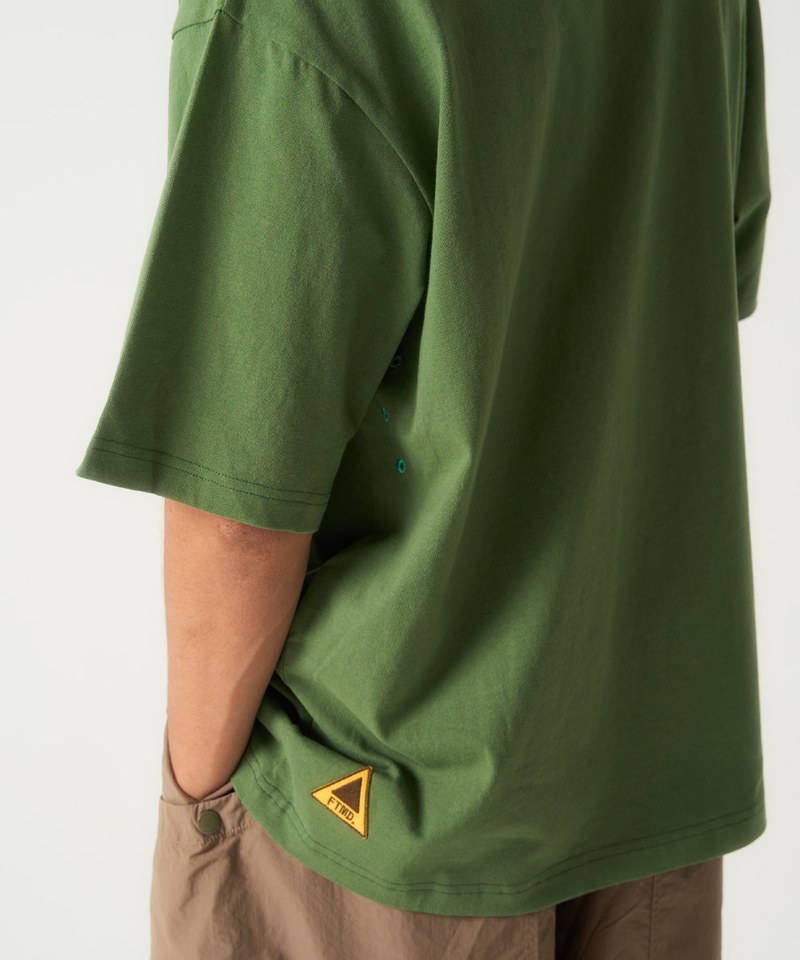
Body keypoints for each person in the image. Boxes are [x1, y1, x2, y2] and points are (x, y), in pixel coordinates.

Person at [75, 0, 771, 956]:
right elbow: (693, 283)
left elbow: (239, 508)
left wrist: (198, 804)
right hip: (644, 780)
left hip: (378, 813)